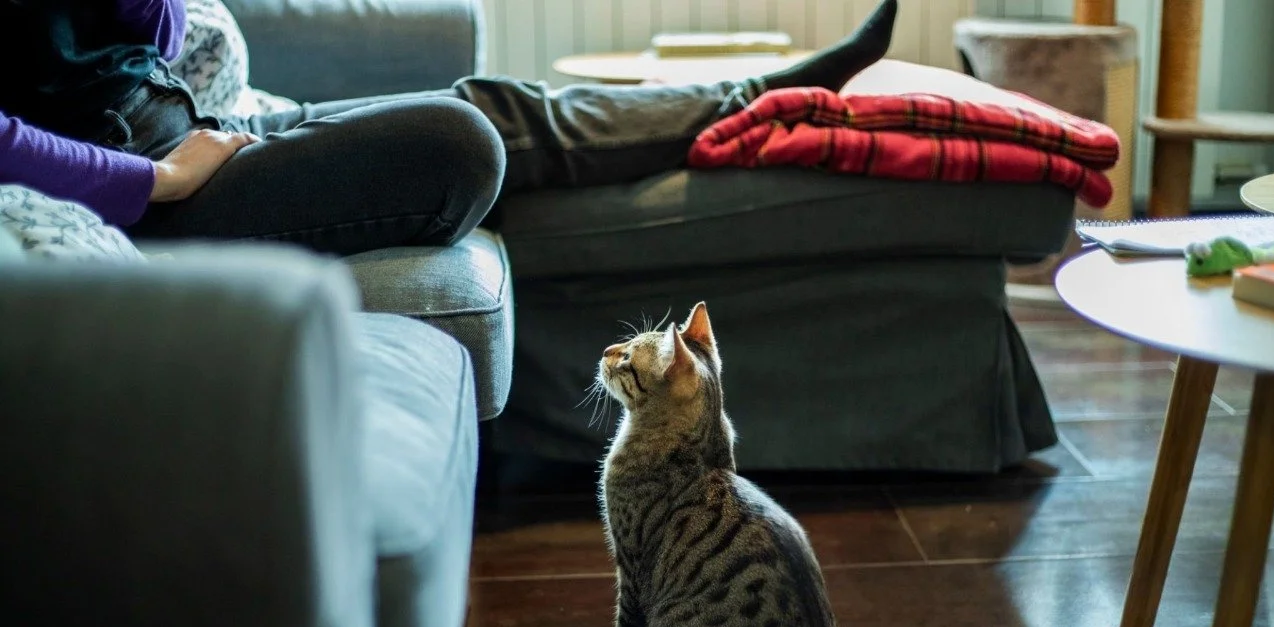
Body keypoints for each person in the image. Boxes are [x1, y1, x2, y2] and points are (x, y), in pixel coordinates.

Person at [0, 0, 899, 258]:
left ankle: (758, 97)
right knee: (458, 143)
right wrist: (157, 183)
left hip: (197, 127)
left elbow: (148, 37)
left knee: (490, 106)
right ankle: (755, 101)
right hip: (137, 186)